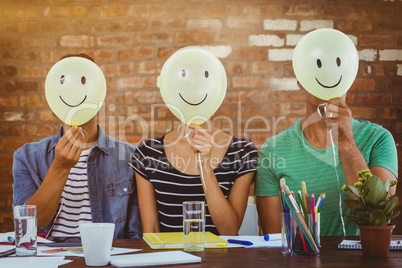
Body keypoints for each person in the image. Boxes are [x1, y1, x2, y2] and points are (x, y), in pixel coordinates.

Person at [12, 54, 142, 240]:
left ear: (100, 92)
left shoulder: (130, 157)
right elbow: (27, 228)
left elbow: (134, 235)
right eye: (64, 82)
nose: (74, 91)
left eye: (83, 82)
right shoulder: (26, 157)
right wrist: (59, 168)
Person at [255, 81, 398, 236]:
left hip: (363, 259)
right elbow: (274, 241)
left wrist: (346, 143)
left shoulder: (378, 138)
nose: (327, 79)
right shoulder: (272, 150)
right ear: (300, 80)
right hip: (301, 259)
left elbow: (380, 219)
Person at [130, 123, 258, 235]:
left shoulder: (243, 151)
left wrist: (205, 167)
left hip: (221, 259)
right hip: (168, 258)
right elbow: (151, 232)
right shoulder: (147, 152)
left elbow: (229, 230)